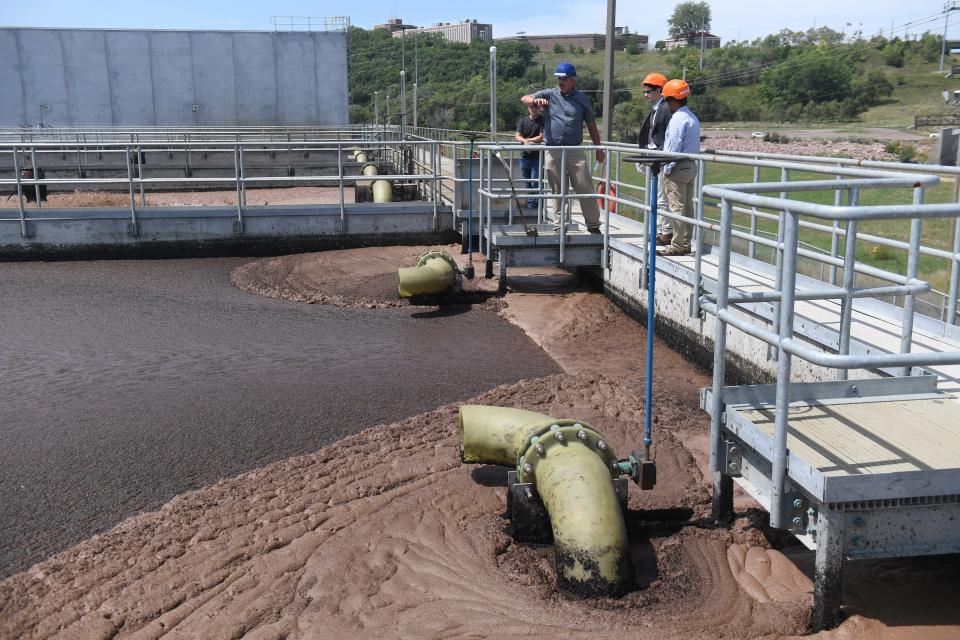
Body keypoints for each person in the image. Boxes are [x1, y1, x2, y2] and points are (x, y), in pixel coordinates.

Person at [521, 62, 605, 234]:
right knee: (558, 190)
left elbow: (591, 125)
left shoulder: (582, 99)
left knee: (584, 187)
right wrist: (535, 100)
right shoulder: (549, 95)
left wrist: (599, 149)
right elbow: (525, 98)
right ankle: (560, 226)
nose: (560, 82)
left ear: (573, 80)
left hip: (575, 151)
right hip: (554, 150)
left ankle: (593, 225)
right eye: (558, 78)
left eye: (564, 79)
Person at [657, 78, 700, 257]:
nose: (666, 103)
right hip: (691, 165)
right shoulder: (692, 117)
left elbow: (673, 147)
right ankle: (686, 242)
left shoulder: (677, 119)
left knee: (676, 207)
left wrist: (666, 169)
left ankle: (676, 245)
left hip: (677, 167)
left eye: (667, 99)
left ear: (674, 100)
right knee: (688, 207)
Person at [638, 72, 674, 246]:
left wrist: (660, 156)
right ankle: (660, 230)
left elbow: (669, 137)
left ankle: (665, 232)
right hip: (654, 157)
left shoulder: (666, 108)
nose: (645, 95)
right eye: (644, 91)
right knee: (656, 197)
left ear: (660, 90)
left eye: (649, 91)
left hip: (661, 158)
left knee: (661, 198)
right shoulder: (657, 108)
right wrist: (644, 154)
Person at [514, 103, 544, 209]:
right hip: (524, 156)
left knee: (536, 181)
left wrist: (528, 140)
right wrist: (524, 140)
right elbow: (517, 136)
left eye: (536, 107)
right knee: (527, 181)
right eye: (532, 107)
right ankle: (531, 203)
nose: (534, 109)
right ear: (528, 108)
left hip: (537, 156)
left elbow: (541, 137)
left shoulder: (542, 120)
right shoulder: (523, 120)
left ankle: (534, 205)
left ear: (539, 108)